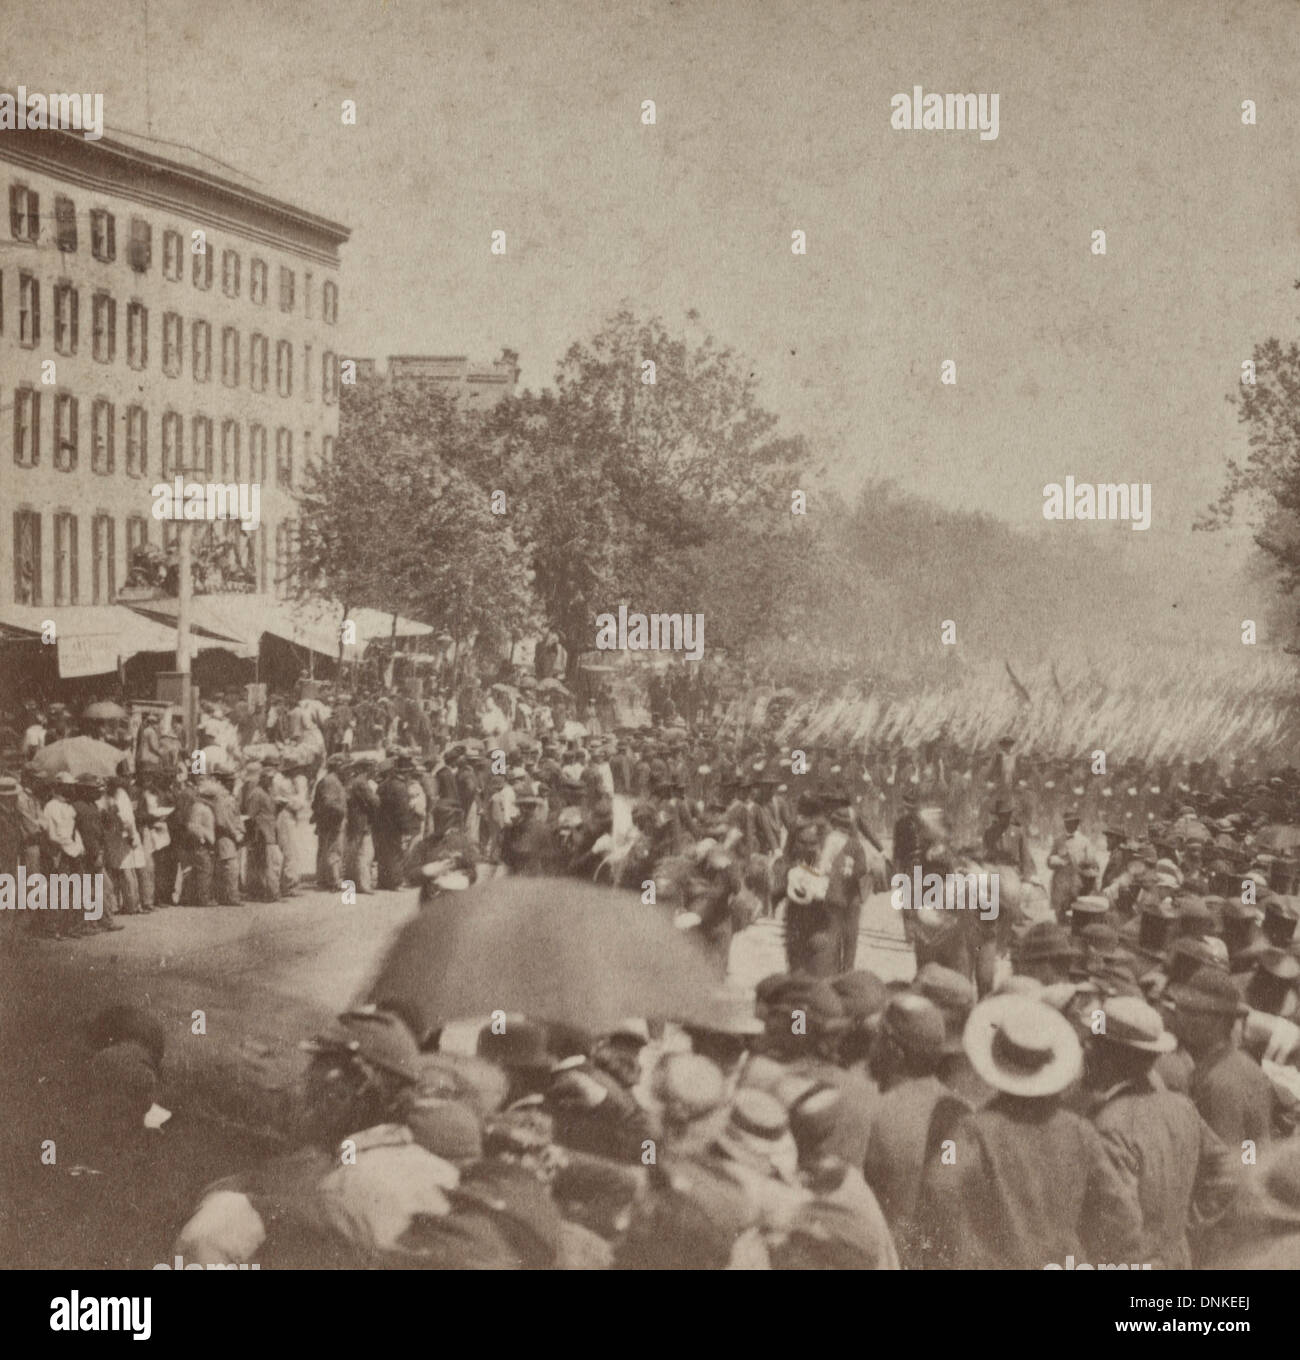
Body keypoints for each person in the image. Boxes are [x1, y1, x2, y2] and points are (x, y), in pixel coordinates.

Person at [919, 994, 1142, 1269]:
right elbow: (1122, 1214)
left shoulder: (973, 1131)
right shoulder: (1080, 1131)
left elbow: (938, 1186)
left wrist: (967, 1253)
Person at [1081, 994, 1237, 1268]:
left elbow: (1116, 1224)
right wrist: (1186, 1227)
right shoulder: (1182, 1107)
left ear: (1112, 1054)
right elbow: (1228, 1171)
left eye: (1094, 1044)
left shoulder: (1108, 1125)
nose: (1086, 1051)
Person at [1165, 967, 1276, 1150]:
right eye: (1183, 1009)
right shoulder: (1243, 1063)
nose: (1181, 1017)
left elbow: (1227, 1160)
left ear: (1221, 1021)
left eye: (1194, 1013)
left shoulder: (1220, 1082)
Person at [311, 755, 348, 891]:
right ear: (338, 766)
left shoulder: (327, 780)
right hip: (333, 821)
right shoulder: (331, 781)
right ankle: (334, 881)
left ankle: (323, 880)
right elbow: (329, 802)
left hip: (327, 821)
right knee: (334, 851)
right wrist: (342, 812)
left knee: (325, 850)